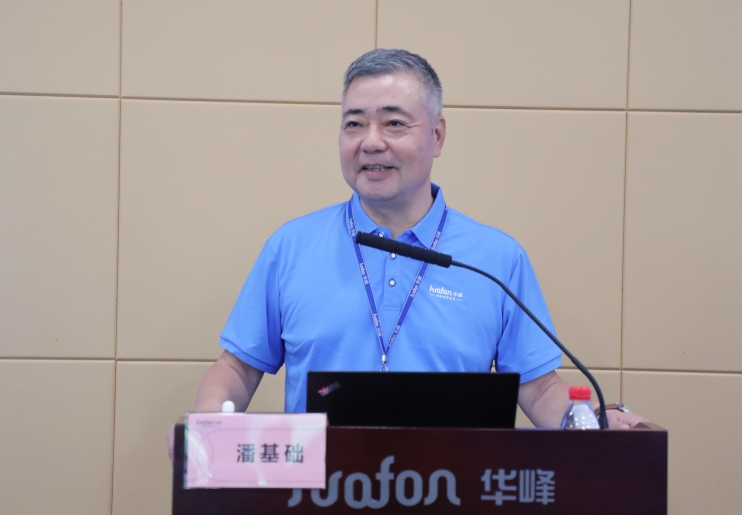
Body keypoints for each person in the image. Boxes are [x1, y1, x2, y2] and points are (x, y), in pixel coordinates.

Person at [194, 49, 645, 429]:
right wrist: (208, 424)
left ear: (437, 135)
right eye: (354, 124)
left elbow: (539, 387)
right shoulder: (291, 246)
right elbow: (238, 368)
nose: (371, 142)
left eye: (394, 124)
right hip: (319, 490)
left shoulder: (495, 258)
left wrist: (590, 422)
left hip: (451, 486)